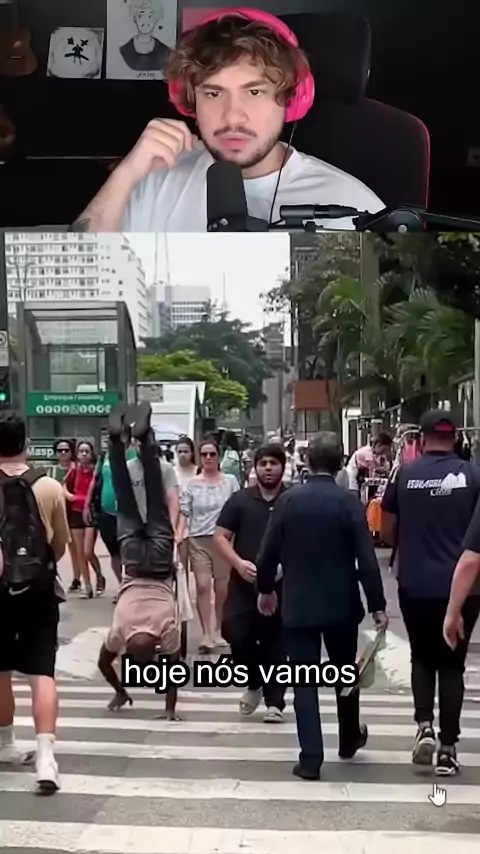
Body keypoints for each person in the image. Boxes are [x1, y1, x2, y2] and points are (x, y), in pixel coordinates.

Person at [73, 8, 383, 233]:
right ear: (191, 103)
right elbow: (76, 279)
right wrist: (125, 176)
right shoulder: (157, 182)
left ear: (291, 99)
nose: (233, 115)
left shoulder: (352, 207)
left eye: (254, 92)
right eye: (214, 93)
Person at [256, 432, 387, 780]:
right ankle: (348, 737)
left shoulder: (288, 501)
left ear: (307, 462)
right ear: (340, 462)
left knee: (304, 681)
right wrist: (377, 603)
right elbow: (366, 558)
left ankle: (311, 758)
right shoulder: (348, 502)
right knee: (345, 674)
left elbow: (267, 553)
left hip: (298, 604)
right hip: (342, 604)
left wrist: (265, 588)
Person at [381, 410, 480, 777]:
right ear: (455, 438)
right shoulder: (473, 475)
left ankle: (424, 726)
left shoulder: (404, 474)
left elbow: (386, 525)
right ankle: (449, 748)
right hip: (465, 589)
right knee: (452, 664)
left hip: (416, 582)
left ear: (421, 439)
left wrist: (406, 544)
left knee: (422, 657)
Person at [0, 410, 71, 792]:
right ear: (25, 443)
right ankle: (46, 760)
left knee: (0, 671)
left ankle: (5, 743)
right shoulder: (49, 486)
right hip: (39, 590)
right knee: (42, 672)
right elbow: (59, 544)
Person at [97, 401, 182, 715]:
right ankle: (116, 441)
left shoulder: (166, 630)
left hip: (159, 563)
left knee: (154, 498)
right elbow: (104, 662)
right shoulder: (120, 628)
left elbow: (174, 671)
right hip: (133, 561)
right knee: (125, 494)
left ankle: (144, 440)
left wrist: (168, 708)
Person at [214, 444, 287, 723]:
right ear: (254, 468)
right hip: (244, 582)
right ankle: (254, 682)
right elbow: (220, 537)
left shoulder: (291, 500)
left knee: (275, 642)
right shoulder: (240, 500)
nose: (268, 468)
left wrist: (285, 567)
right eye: (263, 463)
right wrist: (237, 563)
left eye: (273, 463)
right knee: (234, 632)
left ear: (283, 467)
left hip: (281, 584)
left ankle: (275, 702)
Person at [177, 436, 239, 652]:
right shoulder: (192, 484)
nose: (208, 457)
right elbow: (184, 511)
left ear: (219, 456)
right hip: (198, 539)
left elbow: (238, 509)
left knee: (222, 589)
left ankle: (219, 629)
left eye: (212, 454)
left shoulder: (230, 481)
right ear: (199, 457)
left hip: (223, 541)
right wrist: (179, 533)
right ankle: (205, 634)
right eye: (204, 454)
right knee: (203, 586)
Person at [63, 440, 106, 599]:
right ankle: (87, 586)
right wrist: (70, 496)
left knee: (88, 551)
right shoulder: (74, 471)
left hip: (90, 513)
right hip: (75, 513)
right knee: (80, 553)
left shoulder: (96, 471)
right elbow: (64, 486)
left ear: (92, 453)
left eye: (87, 451)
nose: (84, 454)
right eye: (81, 451)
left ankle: (99, 576)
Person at [49, 438, 81, 592]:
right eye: (59, 450)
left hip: (74, 511)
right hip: (57, 512)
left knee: (75, 548)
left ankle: (77, 578)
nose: (63, 453)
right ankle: (52, 575)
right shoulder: (52, 471)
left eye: (66, 450)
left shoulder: (77, 469)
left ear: (71, 452)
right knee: (55, 546)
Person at [120, 0, 170, 73]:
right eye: (141, 16)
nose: (145, 21)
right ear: (135, 18)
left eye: (150, 16)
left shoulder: (165, 51)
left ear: (156, 20)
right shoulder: (124, 50)